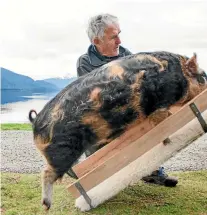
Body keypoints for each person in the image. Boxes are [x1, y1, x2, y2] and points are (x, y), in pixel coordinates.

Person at [75, 13, 178, 187]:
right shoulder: (85, 63)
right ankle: (96, 171)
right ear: (97, 41)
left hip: (129, 110)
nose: (119, 41)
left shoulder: (126, 55)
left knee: (150, 117)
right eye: (113, 37)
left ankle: (151, 171)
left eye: (119, 34)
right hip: (102, 117)